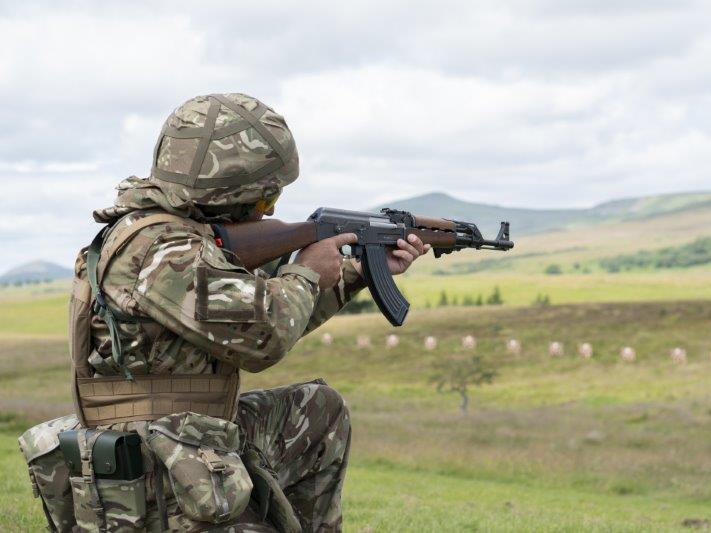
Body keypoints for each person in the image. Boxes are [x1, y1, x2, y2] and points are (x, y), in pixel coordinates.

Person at [19, 93, 429, 532]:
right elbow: (264, 339)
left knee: (319, 408)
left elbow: (250, 322)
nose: (267, 210)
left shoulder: (169, 238)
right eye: (264, 200)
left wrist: (358, 272)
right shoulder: (164, 253)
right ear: (232, 188)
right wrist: (307, 272)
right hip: (154, 472)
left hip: (179, 439)